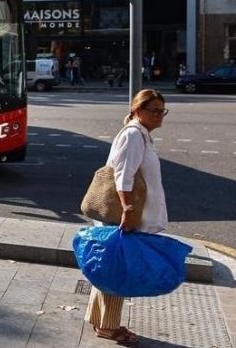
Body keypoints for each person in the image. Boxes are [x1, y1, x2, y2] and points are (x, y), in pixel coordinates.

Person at [85, 89, 169, 345]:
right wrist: (128, 211)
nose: (158, 116)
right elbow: (123, 176)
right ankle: (109, 327)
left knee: (108, 266)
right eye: (153, 110)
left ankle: (99, 319)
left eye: (161, 111)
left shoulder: (140, 135)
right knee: (117, 269)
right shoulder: (134, 135)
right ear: (137, 111)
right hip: (124, 215)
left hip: (127, 212)